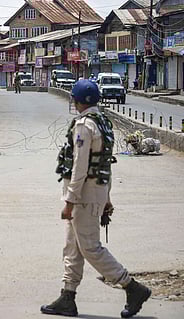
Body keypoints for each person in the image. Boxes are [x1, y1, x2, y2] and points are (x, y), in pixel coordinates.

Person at [41, 80, 151, 318]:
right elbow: (104, 165)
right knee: (72, 246)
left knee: (90, 247)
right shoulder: (103, 123)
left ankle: (132, 287)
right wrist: (107, 197)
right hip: (96, 191)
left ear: (78, 101)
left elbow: (80, 167)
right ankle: (67, 296)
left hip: (83, 196)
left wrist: (70, 201)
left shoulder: (84, 126)